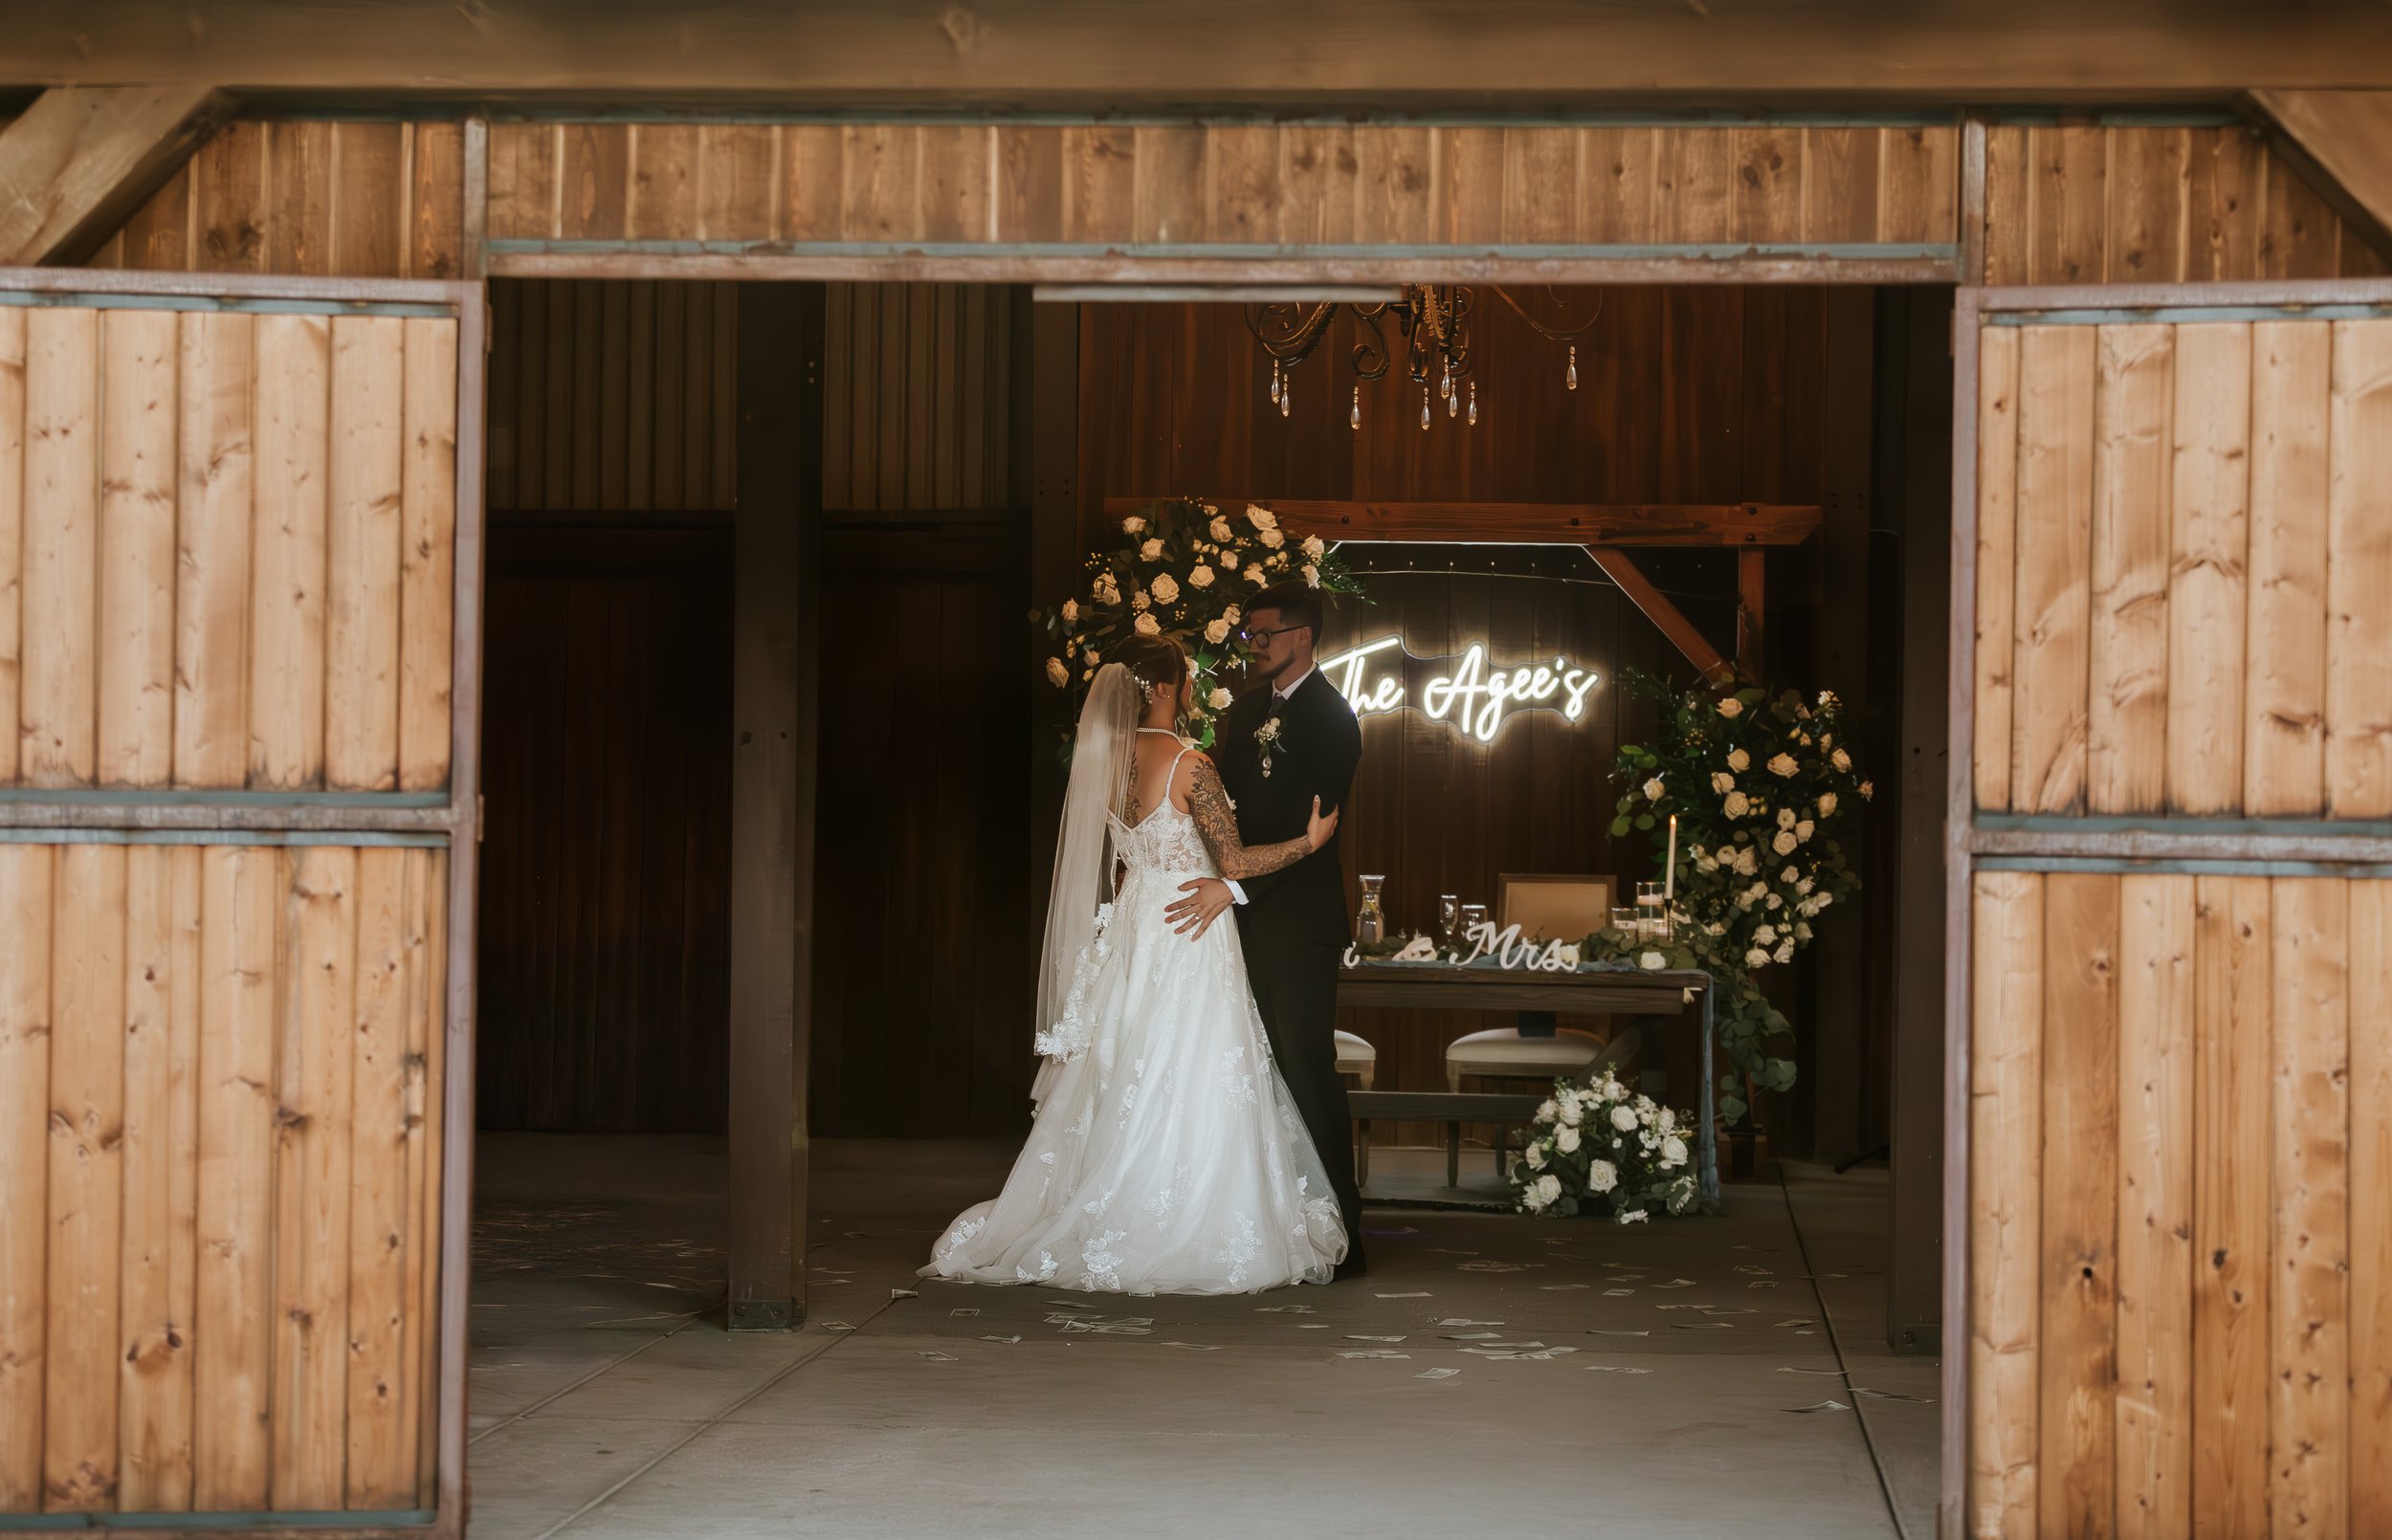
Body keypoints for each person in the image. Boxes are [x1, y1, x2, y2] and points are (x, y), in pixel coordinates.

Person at [921, 631, 1348, 1293]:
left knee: (1125, 1068)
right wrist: (1308, 842)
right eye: (1185, 678)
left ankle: (1098, 1203)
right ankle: (1178, 1209)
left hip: (1136, 928)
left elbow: (1127, 863)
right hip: (1190, 933)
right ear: (1169, 687)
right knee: (1192, 1067)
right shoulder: (1191, 764)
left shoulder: (1110, 760)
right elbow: (1233, 864)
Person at [1164, 581, 1368, 1279]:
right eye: (1249, 635)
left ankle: (1346, 1236)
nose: (1253, 646)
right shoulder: (1247, 710)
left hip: (1298, 922)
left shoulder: (1336, 720)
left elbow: (1312, 830)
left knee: (1306, 1068)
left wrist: (1234, 884)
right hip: (1235, 920)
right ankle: (1274, 1227)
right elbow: (1228, 818)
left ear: (1303, 638)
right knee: (1251, 1075)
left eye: (1264, 635)